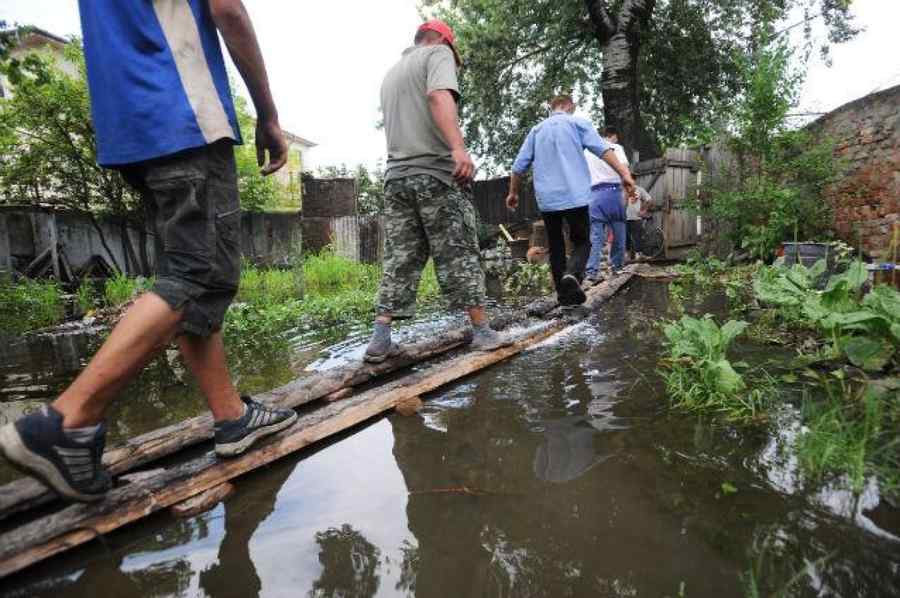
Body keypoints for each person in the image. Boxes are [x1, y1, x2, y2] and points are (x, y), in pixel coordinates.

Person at [0, 0, 297, 502]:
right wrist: (269, 115)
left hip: (131, 124)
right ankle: (64, 422)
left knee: (188, 274)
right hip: (182, 110)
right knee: (197, 273)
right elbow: (228, 10)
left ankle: (231, 417)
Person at [364, 20, 510, 363]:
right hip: (434, 175)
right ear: (444, 40)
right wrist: (458, 148)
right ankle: (483, 332)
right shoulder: (438, 53)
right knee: (459, 250)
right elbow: (437, 95)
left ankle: (380, 339)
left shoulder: (392, 73)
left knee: (400, 258)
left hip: (396, 178)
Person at [506, 97, 635, 306]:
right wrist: (624, 174)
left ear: (551, 108)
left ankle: (564, 297)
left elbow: (518, 166)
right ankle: (573, 275)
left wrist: (513, 193)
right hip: (576, 196)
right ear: (568, 106)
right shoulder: (577, 123)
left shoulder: (537, 131)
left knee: (556, 246)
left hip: (548, 200)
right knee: (582, 241)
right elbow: (604, 150)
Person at [585, 126, 630, 280]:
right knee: (618, 232)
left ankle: (591, 271)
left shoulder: (587, 151)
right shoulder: (615, 147)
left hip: (594, 194)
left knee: (595, 236)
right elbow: (624, 170)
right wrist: (629, 191)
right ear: (613, 136)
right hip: (613, 193)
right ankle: (617, 268)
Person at [626, 186, 653, 260]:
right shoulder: (621, 189)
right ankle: (627, 257)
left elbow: (649, 200)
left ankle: (639, 255)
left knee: (637, 237)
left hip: (636, 218)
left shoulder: (639, 189)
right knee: (625, 238)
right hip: (623, 218)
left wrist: (644, 211)